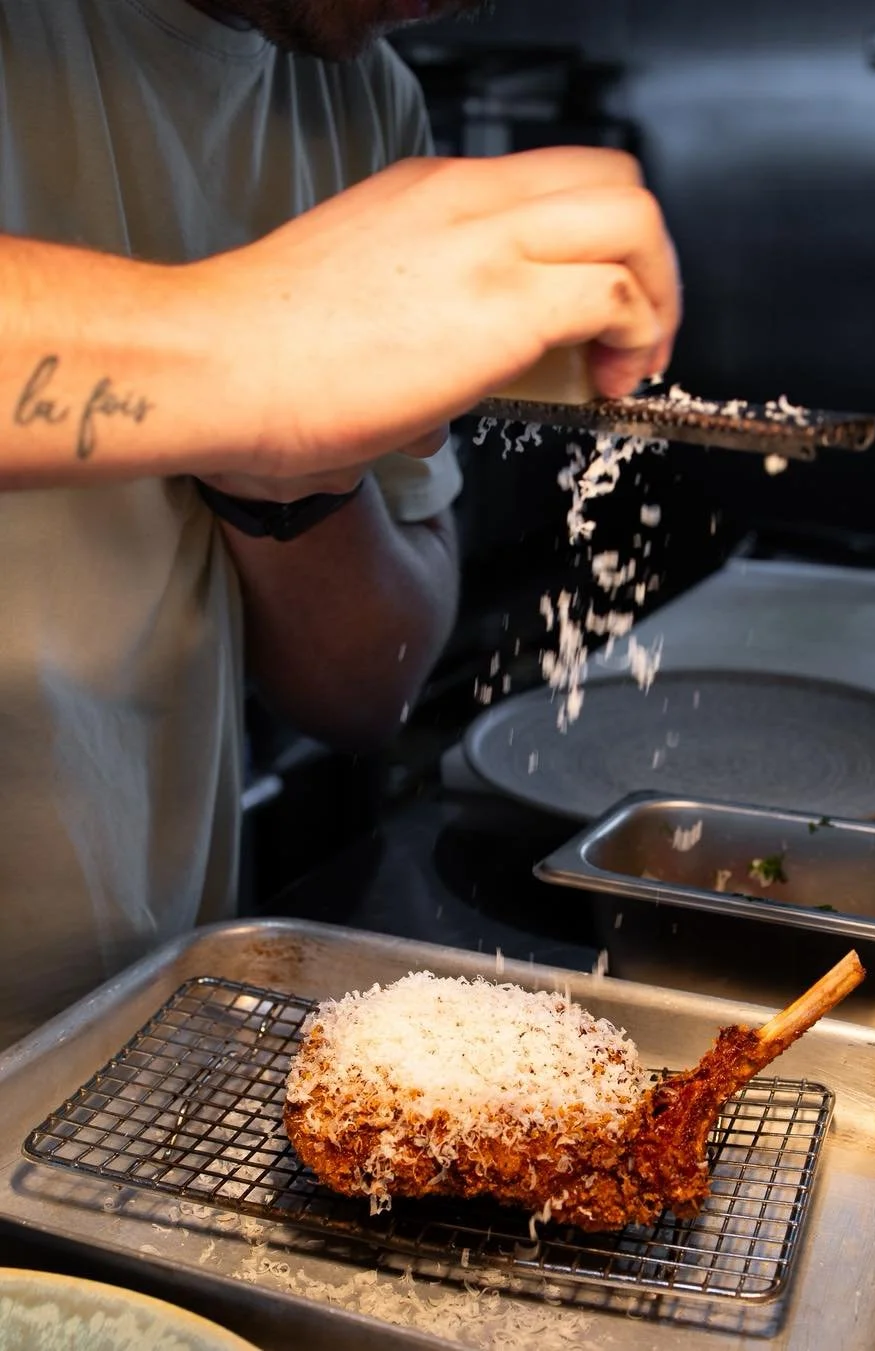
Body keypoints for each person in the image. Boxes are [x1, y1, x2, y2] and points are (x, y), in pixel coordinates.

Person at [0, 0, 681, 1050]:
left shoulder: (358, 91)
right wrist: (243, 345)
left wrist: (283, 480)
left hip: (145, 1013)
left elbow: (370, 688)